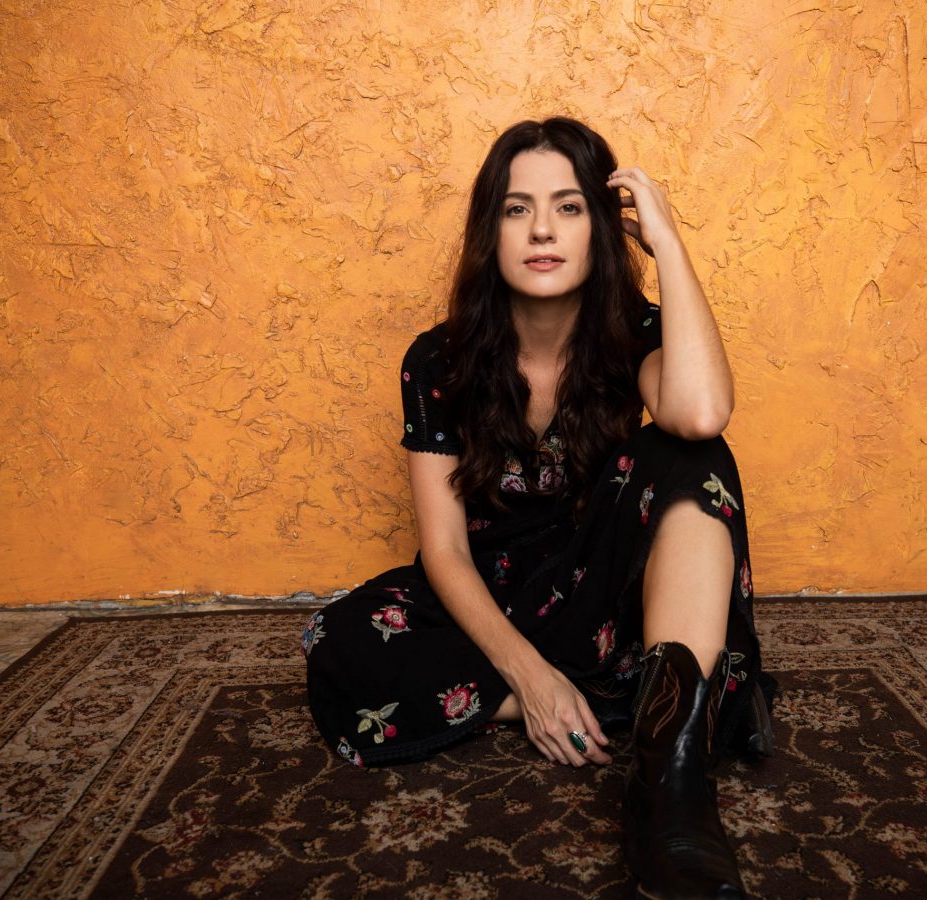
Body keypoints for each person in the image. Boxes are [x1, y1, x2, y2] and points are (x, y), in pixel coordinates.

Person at [303, 116, 775, 899]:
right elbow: (444, 551)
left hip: (602, 586)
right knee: (342, 641)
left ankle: (672, 793)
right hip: (495, 596)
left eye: (569, 207)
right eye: (517, 209)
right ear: (489, 232)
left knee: (693, 457)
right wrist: (530, 680)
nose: (543, 231)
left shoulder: (637, 336)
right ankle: (661, 697)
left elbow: (699, 414)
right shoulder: (438, 359)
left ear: (602, 228)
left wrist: (670, 246)